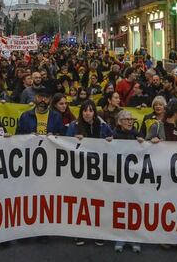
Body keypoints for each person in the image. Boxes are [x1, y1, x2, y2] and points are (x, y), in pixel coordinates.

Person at [66, 100, 112, 247]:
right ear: (81, 112)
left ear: (94, 112)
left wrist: (110, 140)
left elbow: (114, 140)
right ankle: (79, 232)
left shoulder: (103, 125)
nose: (87, 113)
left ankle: (99, 232)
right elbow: (65, 144)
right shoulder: (74, 126)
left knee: (98, 202)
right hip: (79, 171)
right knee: (80, 203)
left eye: (90, 110)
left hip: (98, 171)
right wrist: (73, 140)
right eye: (85, 110)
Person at [112, 110, 143, 253]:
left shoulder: (137, 136)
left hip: (134, 177)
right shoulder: (113, 136)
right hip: (118, 178)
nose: (130, 121)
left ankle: (134, 237)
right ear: (119, 122)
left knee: (134, 206)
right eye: (126, 119)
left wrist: (148, 143)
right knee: (120, 207)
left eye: (131, 119)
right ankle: (120, 237)